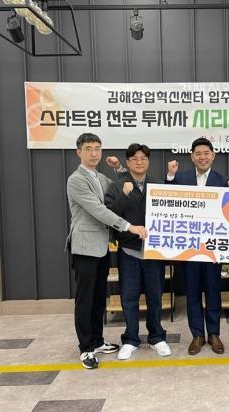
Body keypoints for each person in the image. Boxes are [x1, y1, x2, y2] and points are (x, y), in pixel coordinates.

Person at [66, 133, 147, 369]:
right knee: (85, 299)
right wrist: (129, 226)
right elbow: (99, 210)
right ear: (78, 152)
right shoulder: (76, 180)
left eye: (97, 148)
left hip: (101, 247)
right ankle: (86, 348)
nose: (94, 153)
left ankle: (97, 340)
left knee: (99, 297)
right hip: (85, 247)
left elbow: (122, 185)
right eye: (88, 148)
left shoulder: (100, 177)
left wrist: (119, 167)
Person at [166, 137, 229, 355]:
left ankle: (214, 334)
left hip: (213, 249)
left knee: (213, 291)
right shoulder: (180, 177)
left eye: (206, 153)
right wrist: (170, 177)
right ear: (192, 156)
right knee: (192, 292)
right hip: (189, 248)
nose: (202, 157)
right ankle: (197, 335)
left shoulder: (223, 180)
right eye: (198, 153)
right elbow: (167, 200)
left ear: (213, 155)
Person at [104, 143, 171, 360]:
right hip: (129, 250)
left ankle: (157, 337)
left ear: (148, 161)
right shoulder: (116, 186)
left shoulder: (158, 184)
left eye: (143, 158)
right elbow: (109, 215)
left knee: (155, 296)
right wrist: (124, 195)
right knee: (129, 296)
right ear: (128, 162)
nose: (139, 162)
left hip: (154, 251)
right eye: (134, 159)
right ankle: (131, 339)